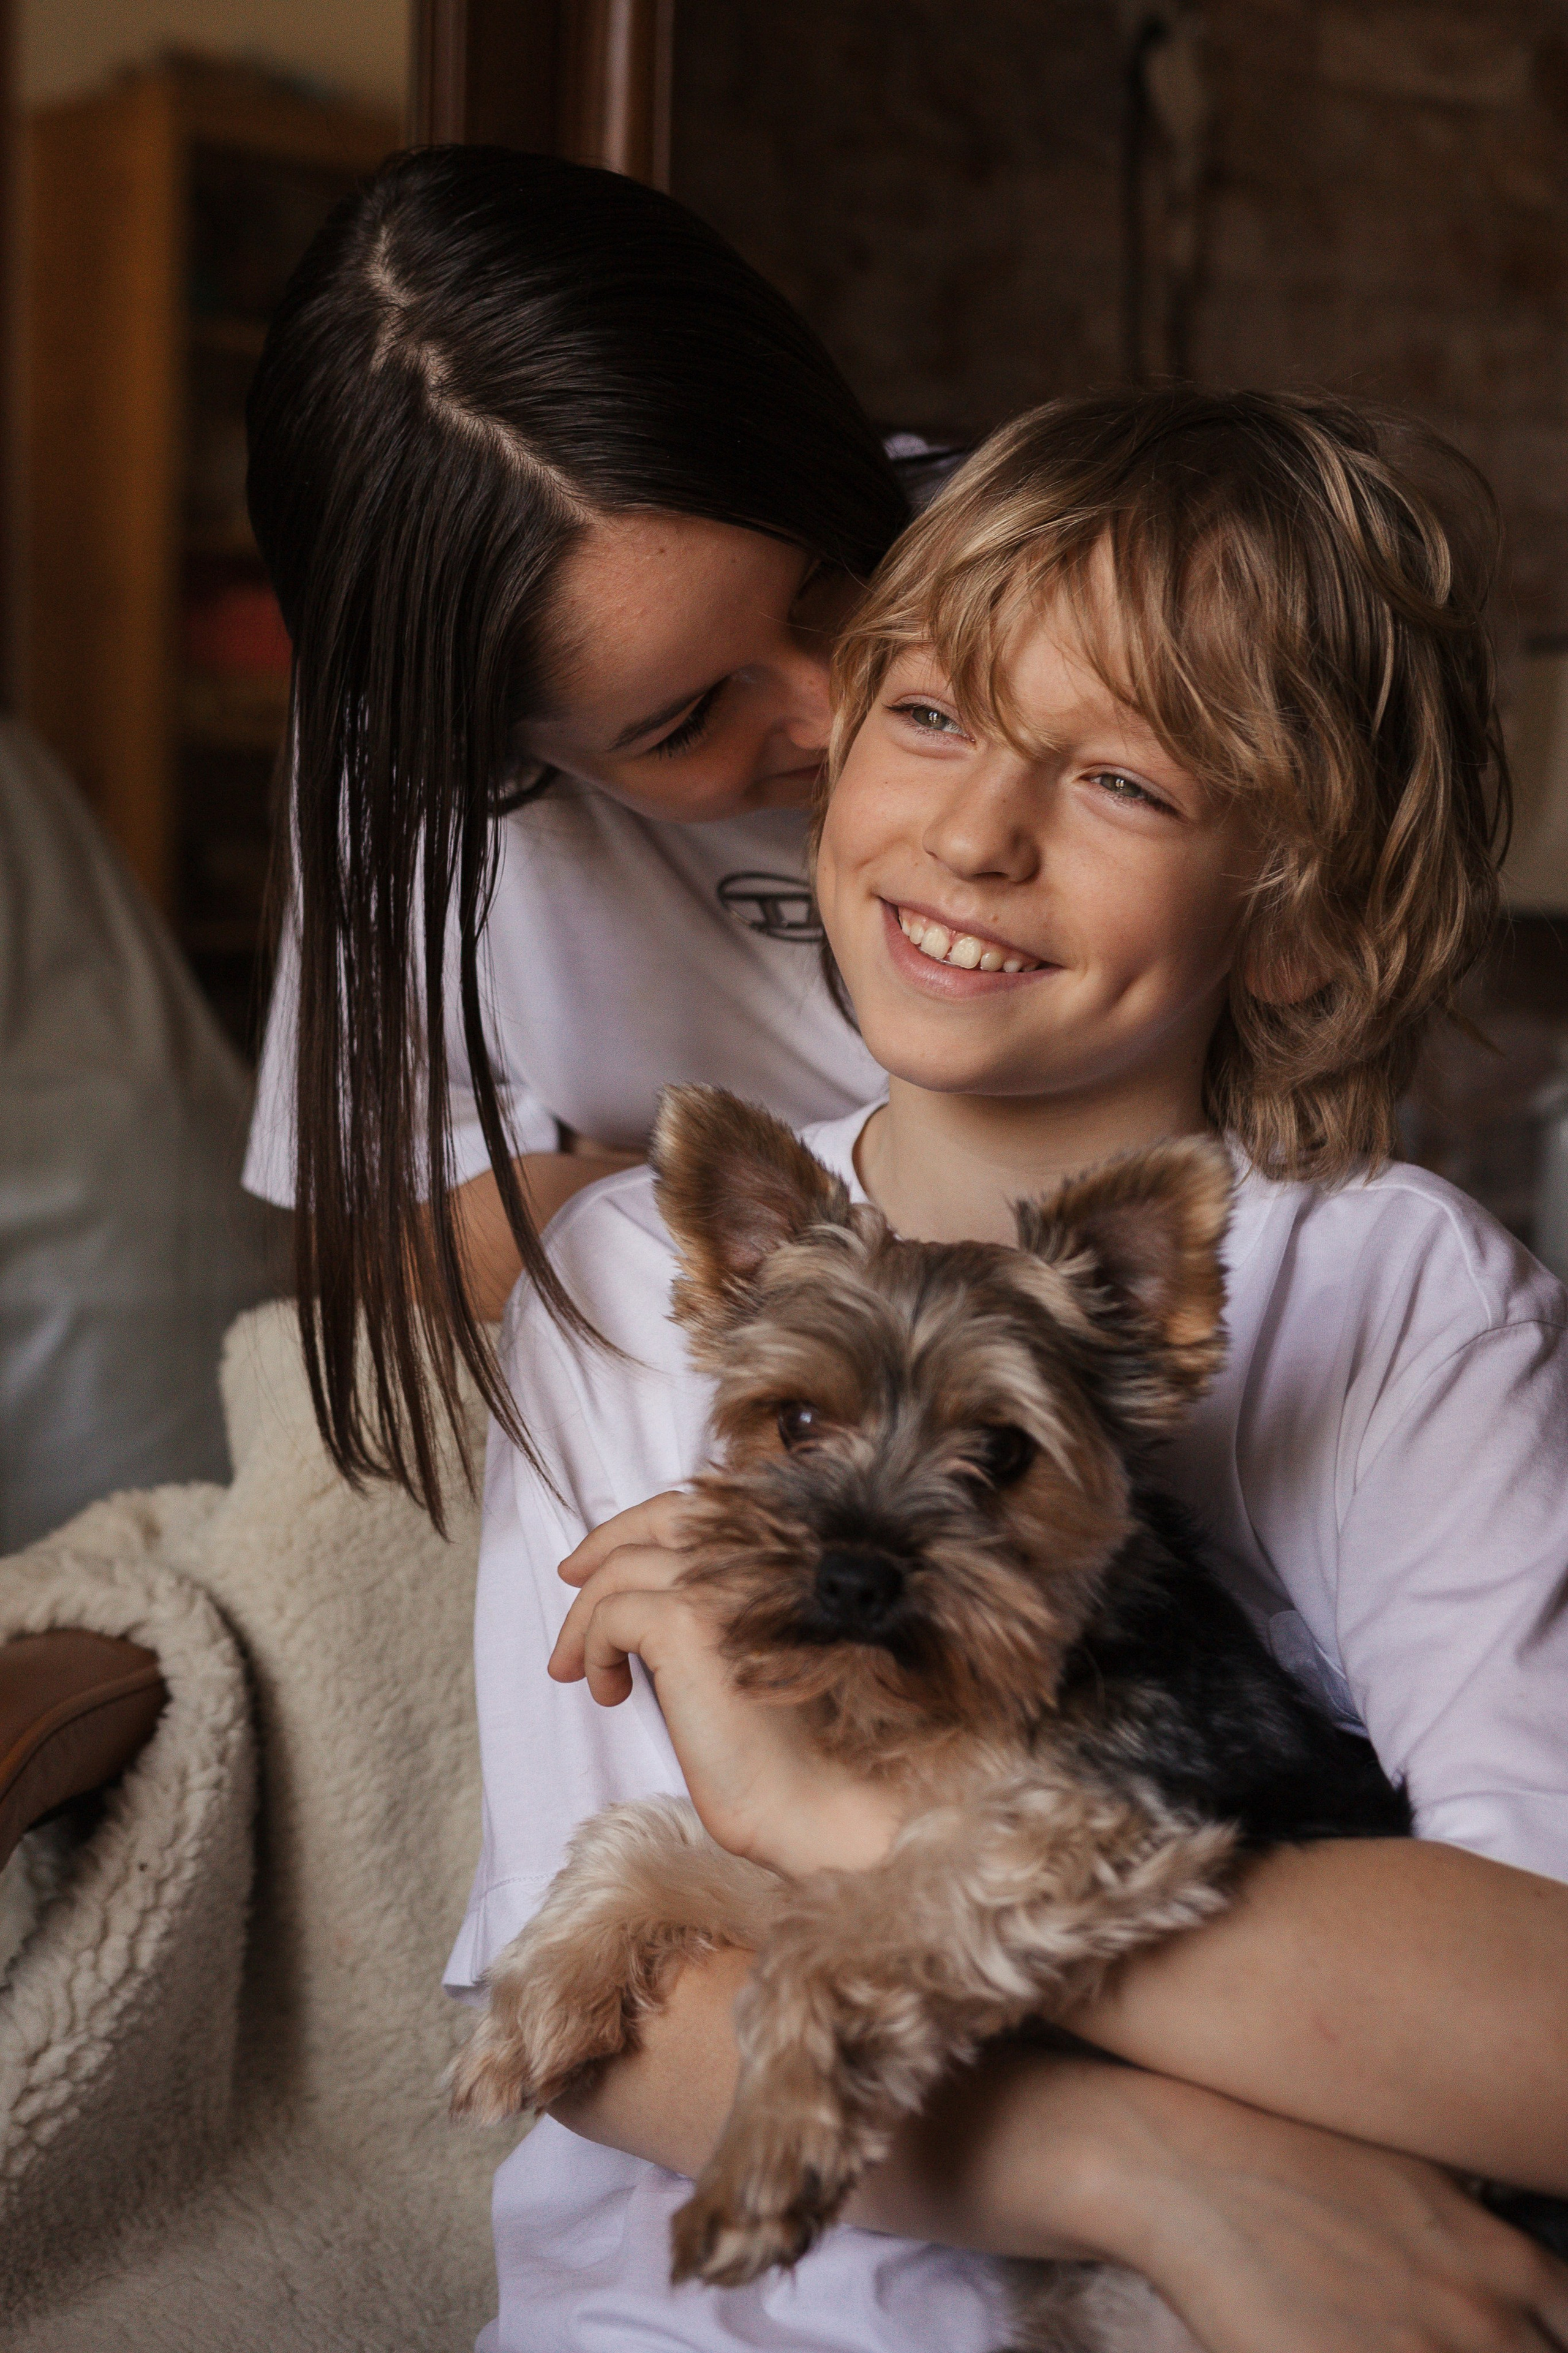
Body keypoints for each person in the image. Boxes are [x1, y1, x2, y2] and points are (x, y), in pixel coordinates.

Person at [447, 389, 1568, 2352]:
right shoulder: (633, 1282)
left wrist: (818, 1817)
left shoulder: (1401, 1297)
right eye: (936, 715)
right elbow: (596, 2024)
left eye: (1127, 780)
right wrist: (1170, 2170)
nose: (979, 831)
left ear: (1291, 922)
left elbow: (1542, 2029)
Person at [239, 143, 965, 1514]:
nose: (832, 707)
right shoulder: (395, 779)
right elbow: (385, 1236)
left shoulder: (1054, 572)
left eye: (827, 579)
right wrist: (783, 1238)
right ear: (491, 762)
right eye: (686, 720)